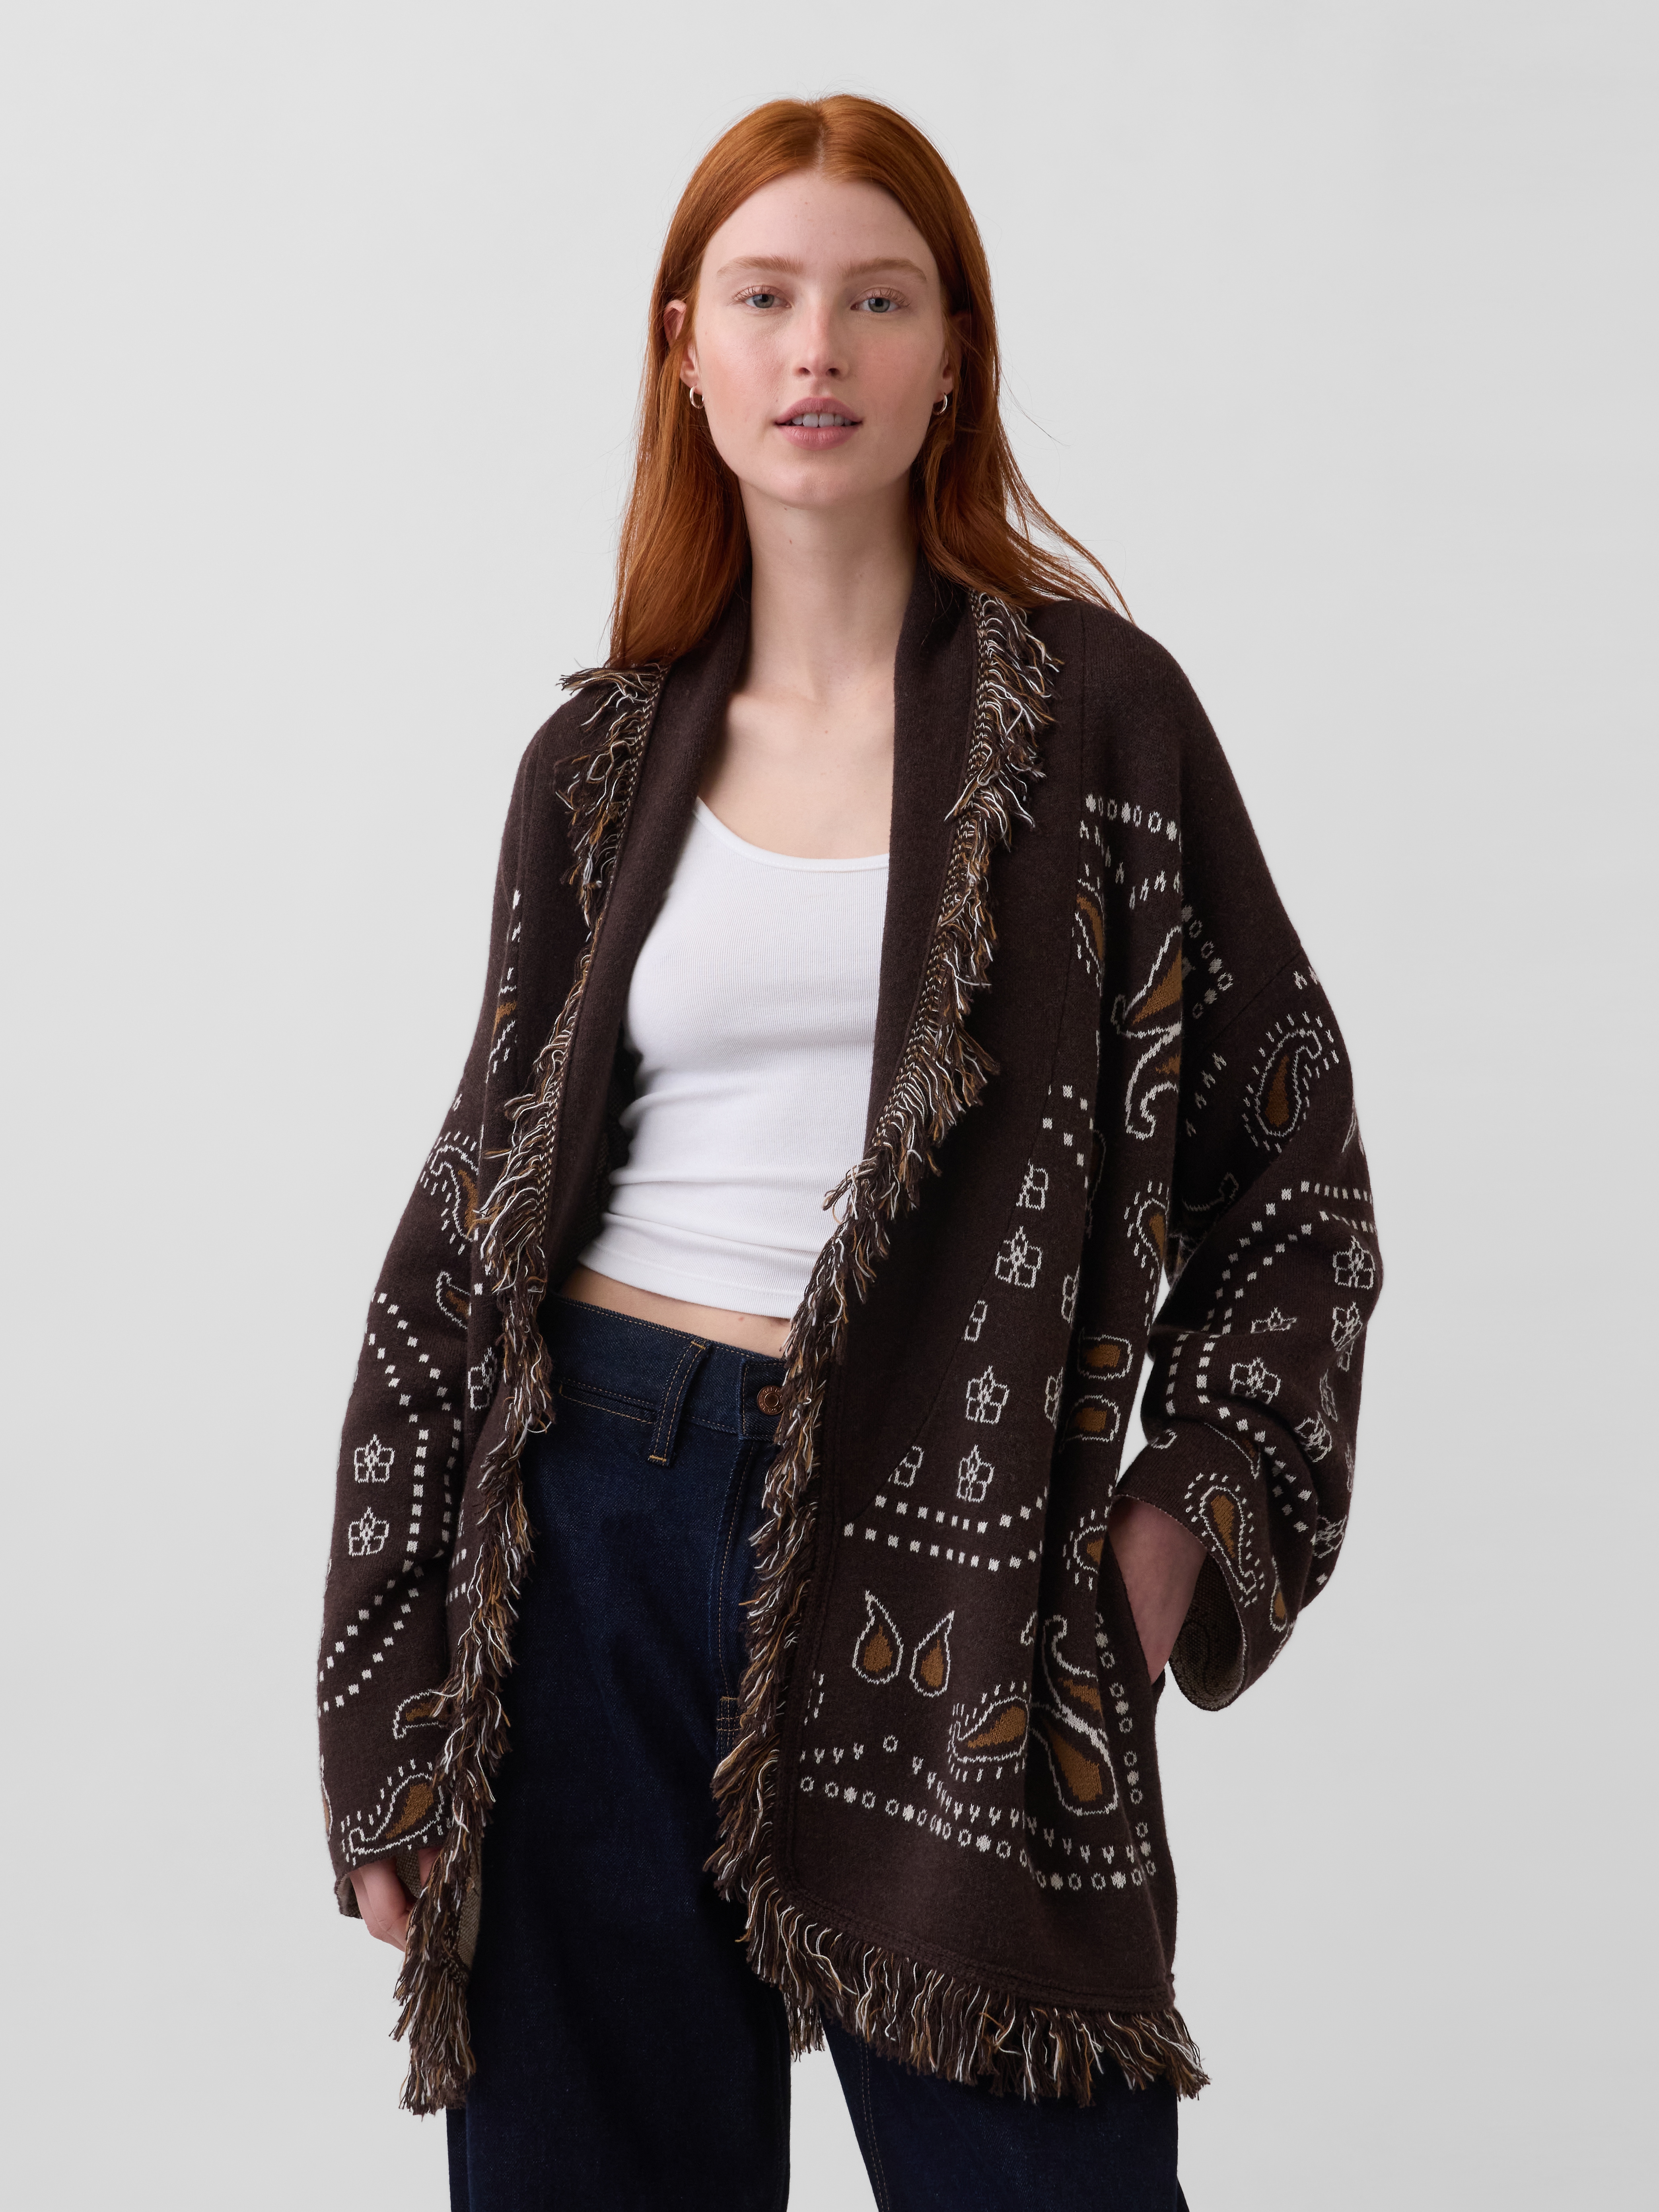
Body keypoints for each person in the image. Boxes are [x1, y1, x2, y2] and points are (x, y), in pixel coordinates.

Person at [317, 93, 1381, 2212]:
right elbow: (466, 1227)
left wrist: (1177, 1520)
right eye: (767, 299)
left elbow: (1298, 1173)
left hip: (958, 1537)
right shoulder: (596, 763)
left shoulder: (1104, 724)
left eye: (879, 301)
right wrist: (387, 1685)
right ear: (686, 350)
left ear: (952, 352)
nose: (819, 351)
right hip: (584, 1530)